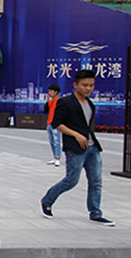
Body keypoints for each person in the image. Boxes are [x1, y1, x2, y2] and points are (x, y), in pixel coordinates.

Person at [40, 69, 114, 226]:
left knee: (96, 182)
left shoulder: (90, 104)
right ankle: (47, 200)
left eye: (91, 85)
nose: (88, 88)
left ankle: (95, 213)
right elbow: (56, 123)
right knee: (71, 180)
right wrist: (75, 135)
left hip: (92, 148)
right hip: (75, 148)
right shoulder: (66, 102)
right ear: (75, 85)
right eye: (85, 85)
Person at [44, 84, 62, 167]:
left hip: (56, 124)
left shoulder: (59, 101)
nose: (50, 92)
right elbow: (46, 110)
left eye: (51, 91)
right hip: (49, 123)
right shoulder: (51, 102)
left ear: (56, 92)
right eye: (49, 91)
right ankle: (54, 157)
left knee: (57, 141)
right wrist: (47, 101)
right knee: (51, 141)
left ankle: (58, 158)